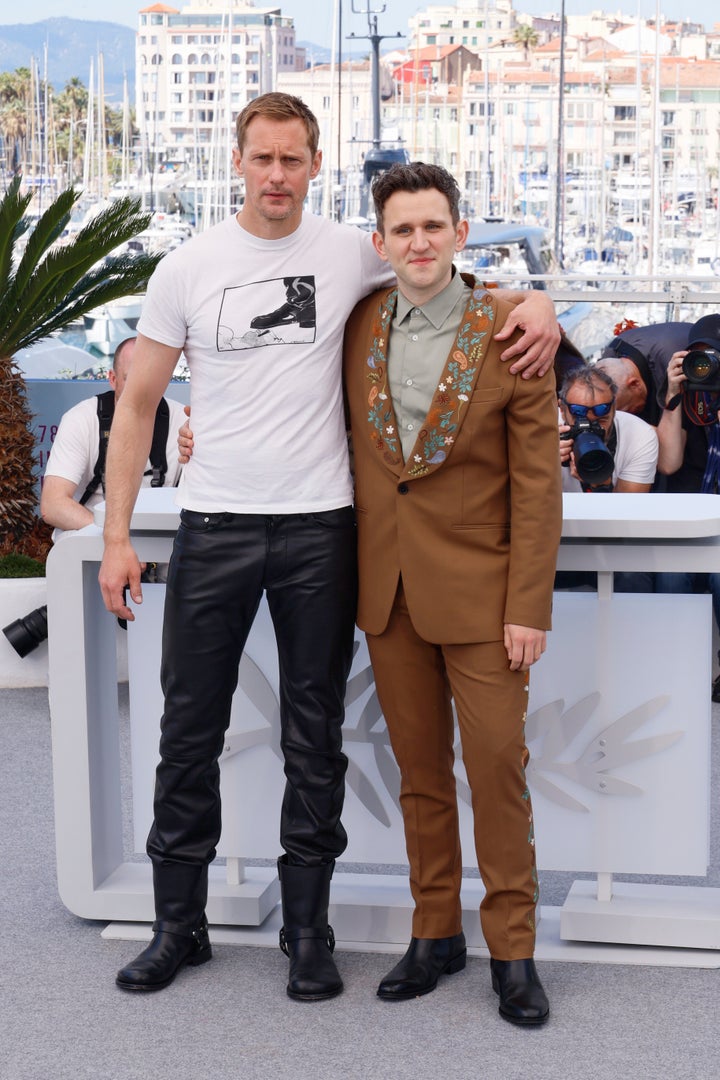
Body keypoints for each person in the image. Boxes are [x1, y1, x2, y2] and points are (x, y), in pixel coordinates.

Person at [97, 92, 560, 1001]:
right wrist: (116, 534)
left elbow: (445, 276)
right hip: (214, 525)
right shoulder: (187, 266)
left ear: (315, 165)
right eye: (262, 158)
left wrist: (538, 300)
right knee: (186, 733)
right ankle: (176, 927)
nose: (277, 175)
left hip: (321, 531)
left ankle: (308, 934)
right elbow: (139, 404)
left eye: (293, 159)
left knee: (316, 742)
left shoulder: (352, 253)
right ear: (238, 161)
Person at [342, 162, 562, 1025]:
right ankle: (434, 932)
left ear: (460, 233)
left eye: (433, 225)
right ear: (381, 242)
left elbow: (537, 484)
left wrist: (528, 606)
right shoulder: (358, 323)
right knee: (420, 774)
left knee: (498, 771)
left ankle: (514, 950)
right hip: (388, 589)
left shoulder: (513, 329)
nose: (419, 241)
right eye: (403, 229)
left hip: (485, 597)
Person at [41, 337, 186, 539]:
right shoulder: (81, 419)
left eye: (151, 378)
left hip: (162, 543)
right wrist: (116, 539)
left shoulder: (184, 423)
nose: (141, 389)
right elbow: (53, 504)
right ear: (112, 379)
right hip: (91, 539)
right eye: (131, 379)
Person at [655, 313, 720, 697]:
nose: (705, 367)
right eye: (699, 356)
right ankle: (671, 665)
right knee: (671, 576)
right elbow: (668, 463)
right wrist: (672, 396)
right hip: (685, 521)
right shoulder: (687, 399)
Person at [558, 366, 658, 495]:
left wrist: (601, 483)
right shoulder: (542, 432)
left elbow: (630, 506)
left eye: (601, 420)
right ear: (562, 410)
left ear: (614, 409)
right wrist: (545, 460)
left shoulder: (639, 436)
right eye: (579, 419)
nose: (590, 429)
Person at [596, 322, 690, 425]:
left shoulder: (675, 364)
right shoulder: (605, 367)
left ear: (635, 384)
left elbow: (681, 429)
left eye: (627, 411)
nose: (626, 418)